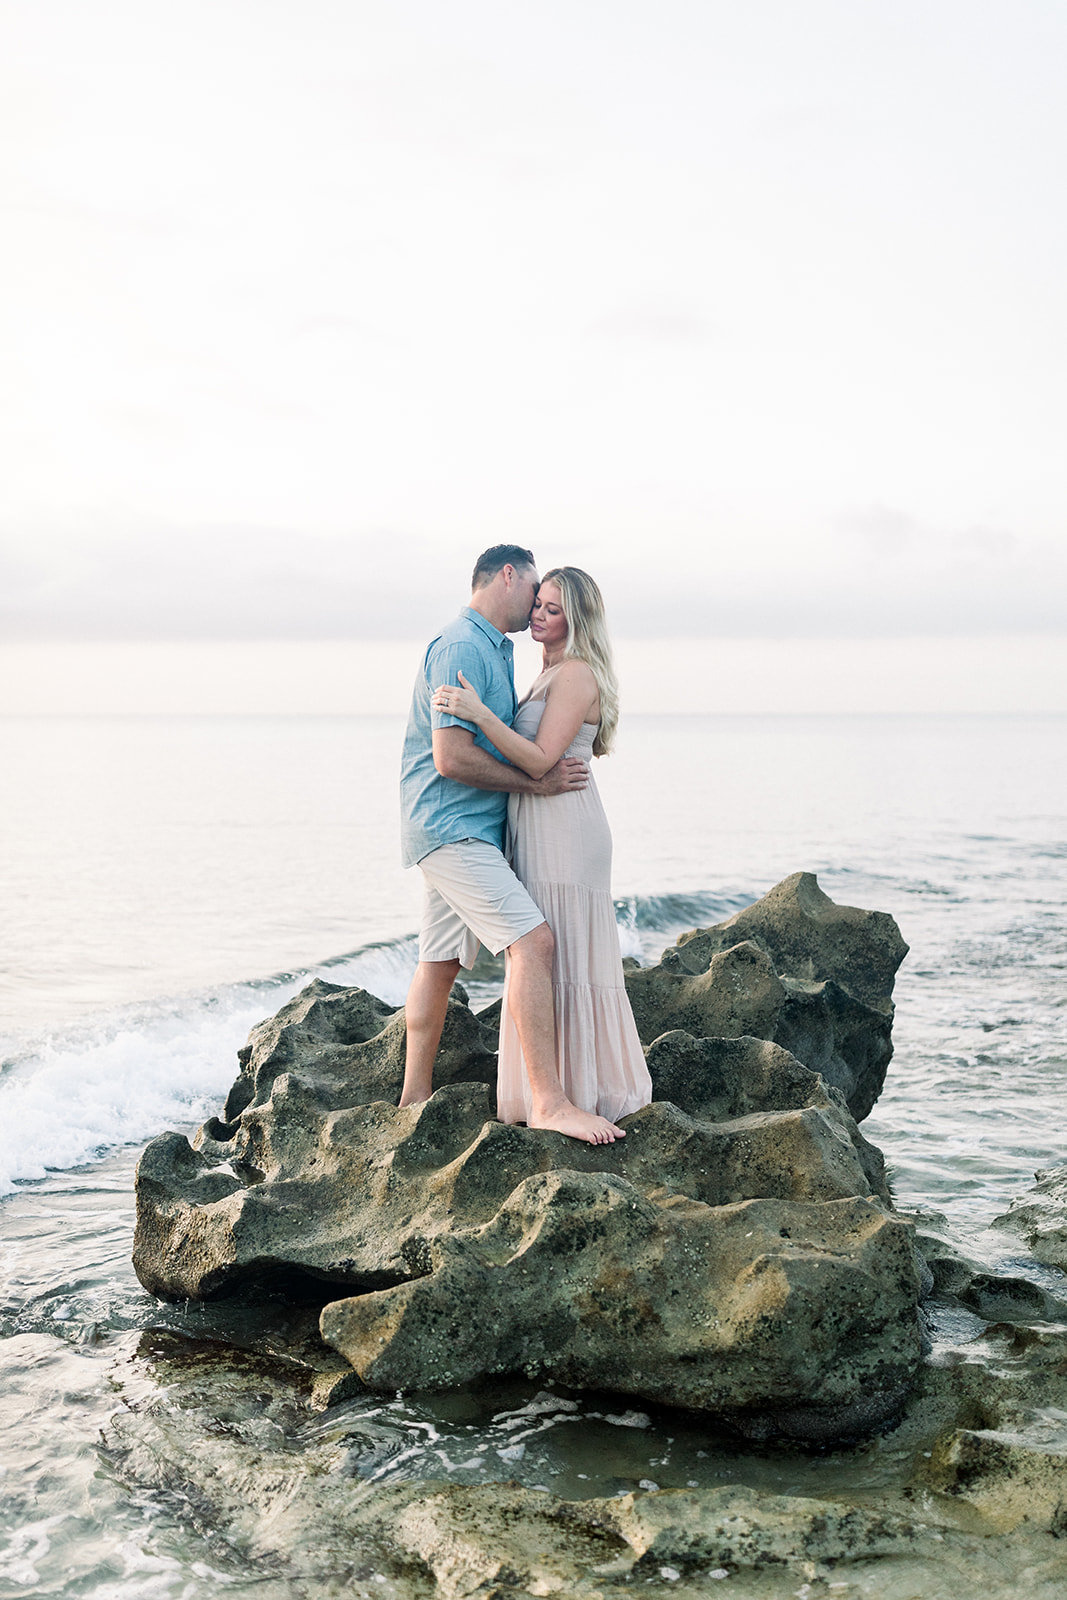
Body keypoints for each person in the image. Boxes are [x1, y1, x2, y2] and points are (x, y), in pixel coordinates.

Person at [399, 545, 627, 1145]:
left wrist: (541, 775)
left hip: (477, 831)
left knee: (441, 960)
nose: (535, 610)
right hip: (457, 830)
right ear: (509, 577)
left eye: (550, 606)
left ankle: (413, 1098)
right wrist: (540, 780)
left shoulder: (503, 654)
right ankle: (549, 1101)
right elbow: (450, 757)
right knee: (536, 941)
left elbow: (530, 746)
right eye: (535, 595)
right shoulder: (464, 647)